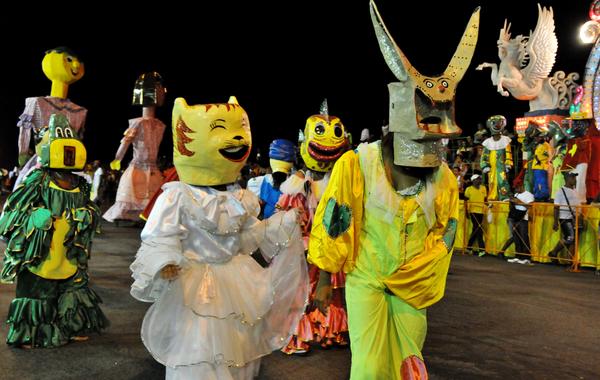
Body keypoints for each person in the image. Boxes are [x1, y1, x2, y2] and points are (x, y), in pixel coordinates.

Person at [307, 2, 477, 378]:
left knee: (408, 364)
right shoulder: (358, 165)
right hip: (366, 280)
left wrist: (419, 276)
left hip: (412, 287)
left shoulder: (444, 179)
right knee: (369, 367)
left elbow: (445, 235)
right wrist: (323, 281)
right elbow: (335, 223)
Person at [130, 96, 308, 379]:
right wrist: (164, 260)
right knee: (199, 347)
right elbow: (158, 235)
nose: (236, 138)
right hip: (195, 283)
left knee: (237, 343)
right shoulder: (179, 195)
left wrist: (281, 223)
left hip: (236, 279)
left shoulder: (240, 198)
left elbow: (248, 237)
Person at [0, 114, 109, 348]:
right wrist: (34, 218)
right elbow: (10, 215)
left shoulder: (80, 184)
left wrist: (87, 215)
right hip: (42, 253)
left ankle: (69, 327)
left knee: (71, 289)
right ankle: (31, 332)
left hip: (68, 252)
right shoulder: (38, 180)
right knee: (39, 292)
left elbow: (91, 209)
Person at [279, 100, 351, 355]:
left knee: (332, 289)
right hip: (307, 248)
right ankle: (301, 333)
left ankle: (330, 330)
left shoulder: (340, 181)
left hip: (332, 247)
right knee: (302, 291)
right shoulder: (299, 183)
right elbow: (287, 219)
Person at [14, 47, 87, 189]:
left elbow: (78, 140)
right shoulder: (36, 103)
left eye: (79, 62)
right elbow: (25, 130)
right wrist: (22, 155)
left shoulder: (80, 111)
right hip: (41, 165)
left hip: (68, 167)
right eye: (69, 60)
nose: (76, 65)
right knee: (23, 199)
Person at [103, 72, 167, 222]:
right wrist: (117, 159)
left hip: (152, 170)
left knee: (152, 200)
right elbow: (126, 141)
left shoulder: (160, 125)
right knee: (135, 197)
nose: (162, 92)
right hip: (138, 168)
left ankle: (147, 219)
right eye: (158, 88)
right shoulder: (138, 123)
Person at [548, 171, 583, 263]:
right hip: (565, 218)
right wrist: (555, 222)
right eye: (573, 177)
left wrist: (581, 217)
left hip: (575, 218)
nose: (575, 180)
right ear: (567, 178)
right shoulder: (560, 191)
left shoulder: (575, 191)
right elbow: (556, 207)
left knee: (573, 239)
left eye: (575, 178)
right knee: (570, 237)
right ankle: (553, 252)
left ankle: (570, 260)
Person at [259, 139, 296, 218]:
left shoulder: (267, 180)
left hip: (268, 216)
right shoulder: (294, 182)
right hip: (285, 218)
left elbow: (263, 201)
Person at [480, 115, 513, 201]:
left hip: (501, 166)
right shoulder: (487, 142)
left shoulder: (505, 140)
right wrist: (485, 165)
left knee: (502, 180)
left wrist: (508, 164)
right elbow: (484, 155)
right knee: (491, 181)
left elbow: (508, 153)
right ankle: (492, 197)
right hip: (491, 167)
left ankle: (504, 196)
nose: (497, 125)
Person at [505, 180, 535, 264]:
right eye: (515, 188)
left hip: (524, 219)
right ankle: (518, 256)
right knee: (516, 237)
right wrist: (512, 202)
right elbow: (512, 206)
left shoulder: (529, 195)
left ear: (522, 186)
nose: (516, 189)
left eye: (517, 187)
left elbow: (530, 206)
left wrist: (519, 202)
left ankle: (527, 258)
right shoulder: (516, 194)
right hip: (516, 217)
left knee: (524, 237)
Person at [464, 174, 487, 256]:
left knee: (475, 229)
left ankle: (468, 248)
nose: (480, 180)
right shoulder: (468, 189)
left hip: (481, 211)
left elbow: (485, 199)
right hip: (473, 211)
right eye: (477, 179)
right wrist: (466, 212)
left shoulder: (483, 188)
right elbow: (466, 201)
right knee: (479, 229)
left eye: (480, 179)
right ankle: (482, 250)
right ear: (473, 180)